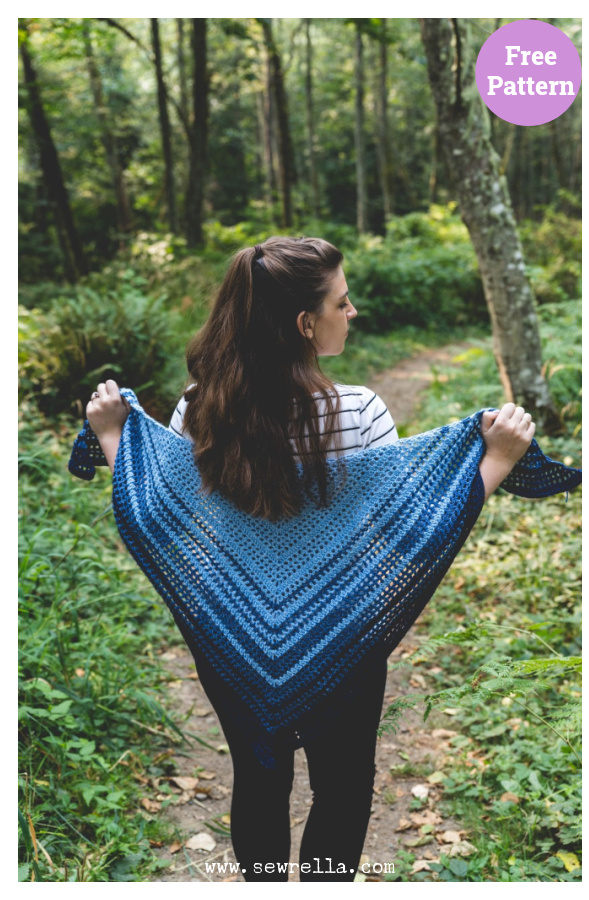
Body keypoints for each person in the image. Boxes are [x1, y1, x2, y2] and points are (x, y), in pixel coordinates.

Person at [85, 236, 537, 882]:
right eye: (342, 302)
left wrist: (111, 437)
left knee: (258, 779)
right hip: (346, 634)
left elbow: (160, 513)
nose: (351, 313)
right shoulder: (358, 411)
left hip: (230, 634)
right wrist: (496, 461)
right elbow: (411, 535)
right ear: (305, 323)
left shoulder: (200, 407)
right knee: (344, 785)